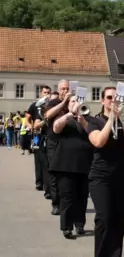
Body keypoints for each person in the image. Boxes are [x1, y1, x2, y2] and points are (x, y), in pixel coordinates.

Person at [87, 86, 124, 257]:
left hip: (123, 176)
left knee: (118, 220)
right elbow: (98, 142)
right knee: (104, 218)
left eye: (117, 98)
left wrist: (121, 118)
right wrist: (111, 120)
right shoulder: (94, 121)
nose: (113, 101)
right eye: (109, 97)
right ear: (102, 100)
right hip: (101, 176)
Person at [50, 95, 93, 238]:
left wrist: (84, 122)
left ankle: (80, 224)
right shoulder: (64, 118)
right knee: (67, 197)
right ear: (68, 105)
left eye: (78, 101)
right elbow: (56, 128)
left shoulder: (87, 119)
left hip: (84, 164)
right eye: (73, 101)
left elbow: (94, 135)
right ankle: (67, 226)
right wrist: (70, 113)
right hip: (65, 165)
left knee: (82, 196)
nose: (76, 104)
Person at [44, 80, 72, 215]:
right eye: (63, 89)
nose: (65, 91)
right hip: (54, 142)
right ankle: (56, 204)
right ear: (58, 89)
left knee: (68, 174)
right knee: (54, 174)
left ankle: (67, 202)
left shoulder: (73, 102)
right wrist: (63, 103)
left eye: (67, 88)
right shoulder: (53, 102)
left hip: (68, 142)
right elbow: (48, 115)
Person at [26, 85, 51, 191]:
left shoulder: (51, 106)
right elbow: (26, 119)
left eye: (48, 92)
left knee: (47, 159)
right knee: (38, 159)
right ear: (41, 93)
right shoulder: (34, 105)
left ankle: (47, 183)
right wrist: (30, 127)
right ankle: (39, 182)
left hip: (47, 134)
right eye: (45, 92)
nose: (47, 94)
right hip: (37, 135)